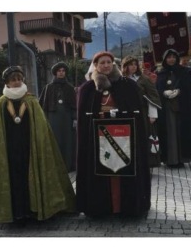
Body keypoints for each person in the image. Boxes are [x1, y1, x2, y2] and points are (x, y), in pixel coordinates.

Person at [0, 66, 76, 223]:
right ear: (7, 82)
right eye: (13, 80)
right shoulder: (2, 102)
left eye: (19, 79)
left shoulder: (31, 100)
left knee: (29, 176)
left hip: (29, 146)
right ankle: (16, 212)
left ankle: (33, 210)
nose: (17, 82)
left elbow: (40, 127)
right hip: (9, 148)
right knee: (14, 179)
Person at [76, 51, 151, 217]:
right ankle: (102, 207)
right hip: (98, 141)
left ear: (113, 64)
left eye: (108, 62)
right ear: (95, 66)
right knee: (101, 172)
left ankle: (126, 207)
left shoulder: (127, 85)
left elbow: (137, 112)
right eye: (102, 63)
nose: (106, 65)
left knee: (124, 170)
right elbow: (83, 118)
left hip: (124, 139)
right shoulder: (87, 89)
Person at [155, 49, 191, 168]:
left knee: (181, 132)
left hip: (182, 107)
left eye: (173, 57)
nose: (171, 59)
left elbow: (189, 88)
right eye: (169, 57)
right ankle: (170, 159)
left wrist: (180, 91)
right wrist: (163, 93)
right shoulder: (160, 73)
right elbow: (156, 89)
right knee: (169, 132)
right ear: (165, 59)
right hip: (166, 108)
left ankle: (181, 158)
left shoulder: (185, 72)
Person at [121, 56, 162, 167]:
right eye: (130, 64)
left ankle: (145, 164)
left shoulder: (144, 79)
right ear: (125, 66)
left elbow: (153, 96)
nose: (133, 67)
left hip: (142, 113)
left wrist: (152, 115)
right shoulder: (121, 80)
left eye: (135, 64)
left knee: (143, 138)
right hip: (127, 114)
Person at [39, 61, 76, 172]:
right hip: (53, 118)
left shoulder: (70, 87)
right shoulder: (48, 87)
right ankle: (55, 166)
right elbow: (42, 105)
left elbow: (74, 105)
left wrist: (75, 118)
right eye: (59, 71)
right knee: (55, 141)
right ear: (55, 73)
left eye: (63, 71)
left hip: (67, 118)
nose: (61, 73)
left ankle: (68, 165)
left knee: (67, 142)